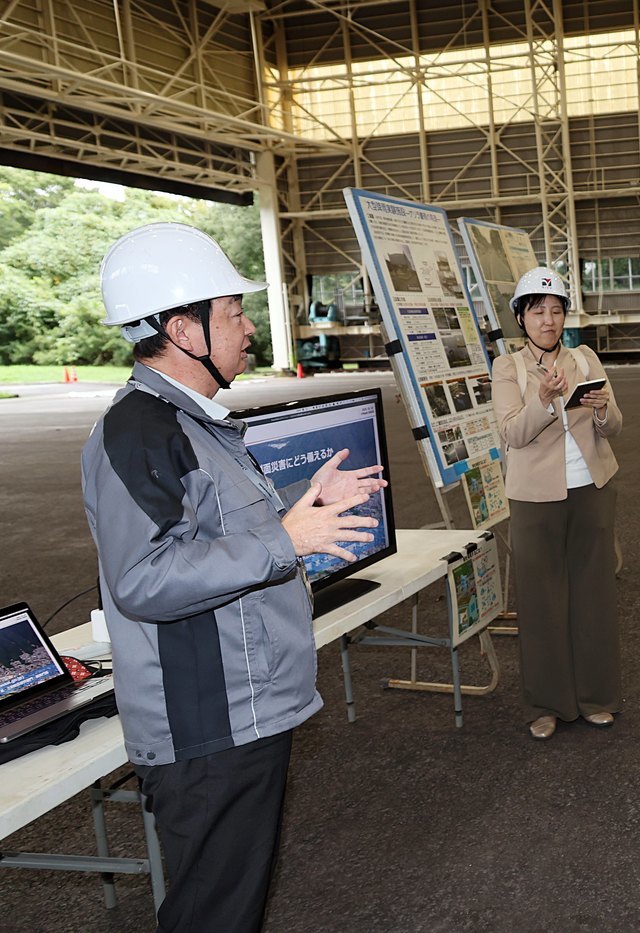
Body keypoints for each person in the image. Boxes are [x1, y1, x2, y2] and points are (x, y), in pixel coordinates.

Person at [82, 223, 386, 932]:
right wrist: (286, 538)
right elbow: (144, 577)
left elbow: (213, 537)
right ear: (184, 330)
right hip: (208, 727)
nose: (249, 328)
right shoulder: (140, 432)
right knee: (213, 915)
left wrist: (299, 510)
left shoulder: (191, 423)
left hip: (241, 711)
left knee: (230, 908)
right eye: (234, 313)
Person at [491, 267, 623, 741]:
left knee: (594, 594)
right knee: (541, 601)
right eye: (537, 311)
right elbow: (511, 433)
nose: (548, 320)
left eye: (556, 310)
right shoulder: (508, 368)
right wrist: (545, 401)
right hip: (535, 497)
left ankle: (596, 697)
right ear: (521, 318)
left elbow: (614, 428)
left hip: (591, 487)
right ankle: (547, 704)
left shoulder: (584, 358)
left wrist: (604, 408)